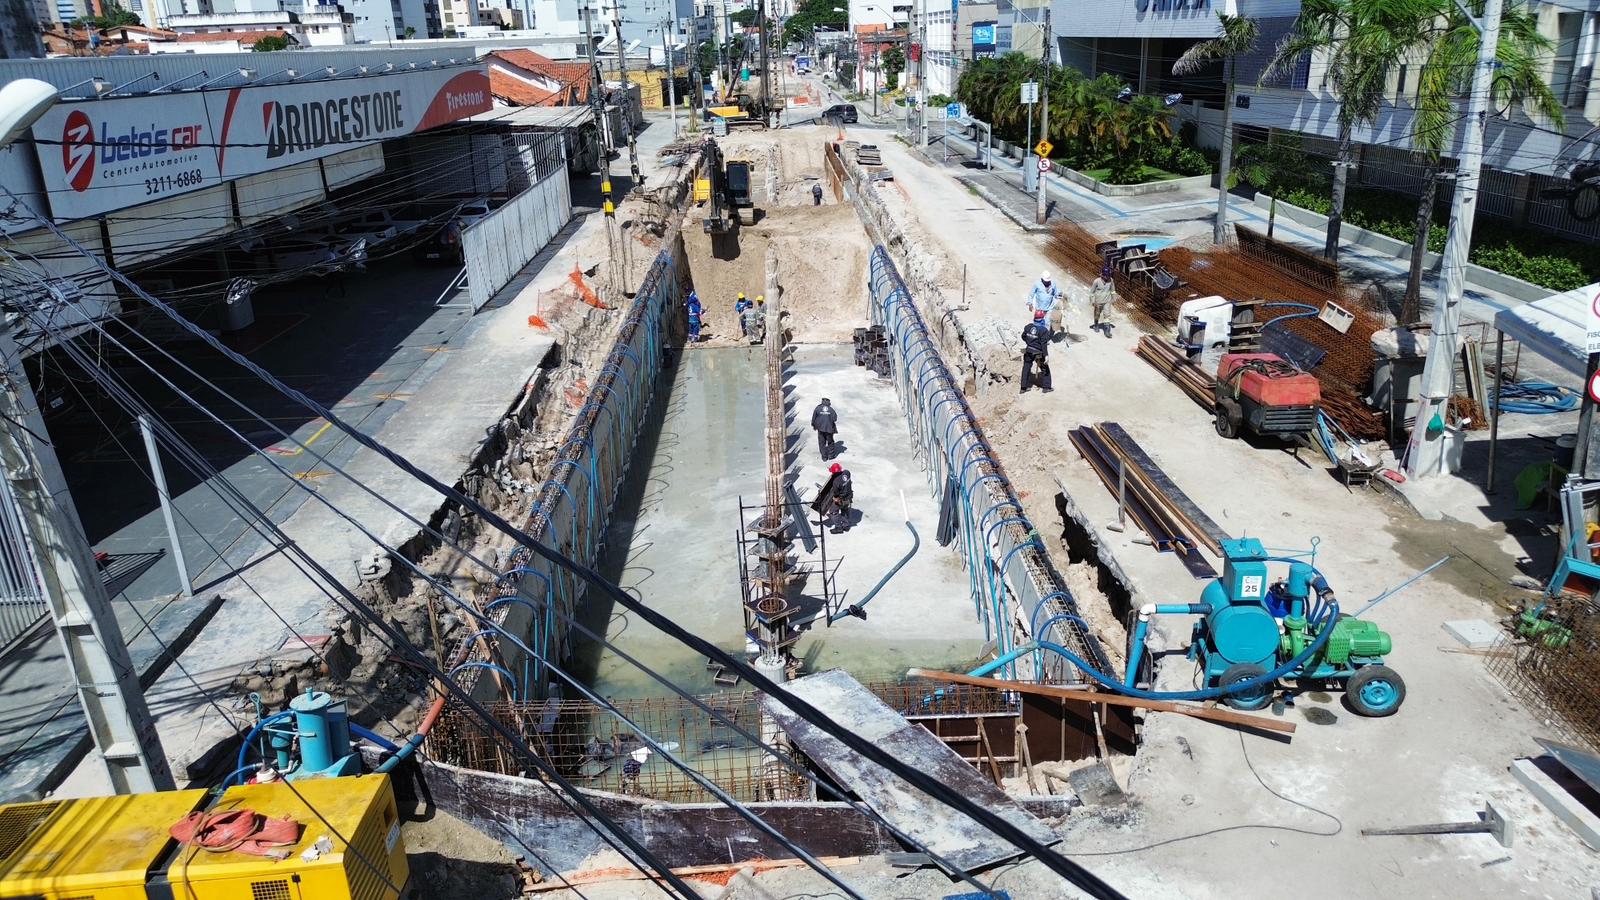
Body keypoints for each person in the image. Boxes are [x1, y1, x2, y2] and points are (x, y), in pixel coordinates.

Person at [812, 462, 854, 534]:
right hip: (849, 497)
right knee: (844, 509)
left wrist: (835, 499)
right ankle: (846, 526)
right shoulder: (847, 472)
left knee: (833, 512)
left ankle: (838, 528)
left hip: (842, 499)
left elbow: (836, 494)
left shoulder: (836, 482)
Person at [1021, 310, 1052, 393]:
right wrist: (1046, 355)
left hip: (1028, 350)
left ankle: (1023, 388)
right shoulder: (1043, 330)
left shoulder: (1028, 327)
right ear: (1042, 319)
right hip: (1038, 352)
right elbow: (1043, 344)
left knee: (1026, 368)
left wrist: (1029, 341)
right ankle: (1046, 387)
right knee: (1045, 369)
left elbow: (1023, 336)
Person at [1027, 271, 1062, 337]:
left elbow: (1056, 294)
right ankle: (1036, 335)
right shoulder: (1037, 284)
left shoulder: (1053, 284)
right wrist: (1030, 303)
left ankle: (1044, 337)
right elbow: (1031, 294)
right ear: (1042, 279)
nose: (1047, 282)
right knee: (1038, 323)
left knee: (1047, 323)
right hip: (1039, 308)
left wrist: (1059, 295)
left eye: (1048, 281)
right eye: (1045, 281)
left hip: (1049, 308)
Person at [1090, 266, 1117, 334]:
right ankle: (1096, 325)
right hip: (1098, 302)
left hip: (1107, 301)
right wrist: (1092, 301)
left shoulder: (1111, 280)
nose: (1107, 277)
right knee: (1097, 315)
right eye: (1106, 276)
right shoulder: (1096, 281)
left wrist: (1114, 298)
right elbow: (1092, 292)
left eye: (1108, 275)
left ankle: (1107, 330)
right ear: (1102, 275)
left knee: (1107, 315)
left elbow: (1113, 290)